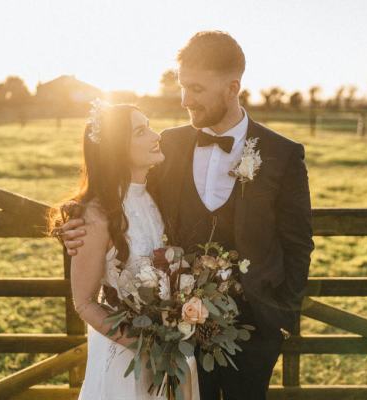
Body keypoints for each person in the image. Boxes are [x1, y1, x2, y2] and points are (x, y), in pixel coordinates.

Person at [61, 31, 314, 400]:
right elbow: (117, 198)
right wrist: (72, 223)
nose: (184, 100)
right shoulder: (170, 145)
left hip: (254, 333)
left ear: (232, 88)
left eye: (196, 89)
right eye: (182, 86)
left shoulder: (283, 155)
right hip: (177, 338)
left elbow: (298, 243)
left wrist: (279, 317)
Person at [50, 102, 200, 399]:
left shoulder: (157, 193)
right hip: (125, 356)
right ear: (117, 149)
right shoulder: (95, 214)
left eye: (150, 125)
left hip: (173, 347)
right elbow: (84, 302)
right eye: (141, 131)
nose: (156, 135)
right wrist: (144, 345)